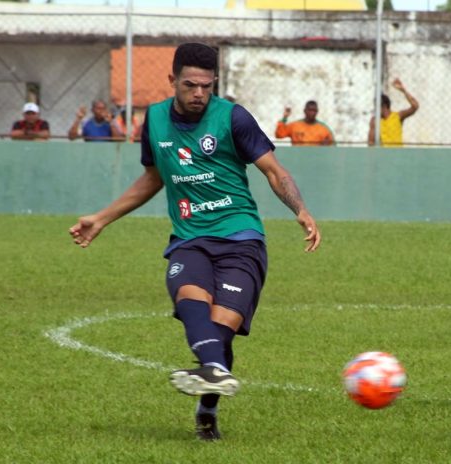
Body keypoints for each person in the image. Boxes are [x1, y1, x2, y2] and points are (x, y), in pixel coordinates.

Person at [69, 43, 321, 441]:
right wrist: (102, 218)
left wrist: (300, 209)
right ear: (172, 81)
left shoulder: (232, 118)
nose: (199, 93)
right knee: (191, 300)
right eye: (190, 85)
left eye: (206, 85)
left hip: (241, 239)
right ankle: (214, 374)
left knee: (221, 331)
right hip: (190, 239)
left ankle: (207, 404)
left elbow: (273, 170)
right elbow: (154, 178)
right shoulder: (153, 121)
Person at [368, 78, 419, 146]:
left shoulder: (398, 116)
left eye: (376, 107)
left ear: (384, 106)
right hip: (384, 155)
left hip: (398, 154)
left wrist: (404, 91)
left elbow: (415, 106)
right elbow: (370, 142)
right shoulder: (375, 120)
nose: (375, 110)